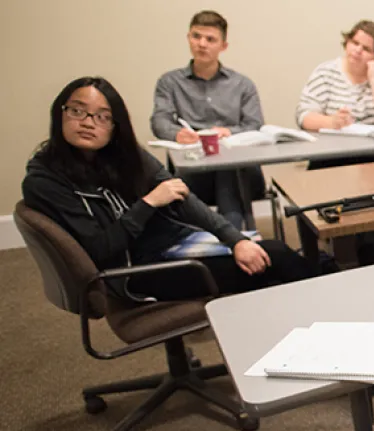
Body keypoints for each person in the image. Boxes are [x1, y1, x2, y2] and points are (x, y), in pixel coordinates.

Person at [23, 77, 317, 302]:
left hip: (174, 244)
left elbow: (183, 197)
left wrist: (234, 240)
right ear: (60, 112)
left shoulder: (122, 155)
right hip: (133, 273)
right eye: (78, 111)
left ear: (114, 126)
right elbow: (100, 249)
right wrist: (149, 203)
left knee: (265, 259)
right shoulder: (46, 180)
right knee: (275, 261)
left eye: (101, 116)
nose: (88, 123)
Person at [150, 10, 265, 230]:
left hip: (241, 173)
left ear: (223, 46)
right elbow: (159, 121)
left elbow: (254, 125)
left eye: (210, 39)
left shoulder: (242, 85)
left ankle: (226, 240)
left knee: (226, 165)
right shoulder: (170, 82)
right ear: (188, 38)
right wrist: (177, 134)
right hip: (194, 170)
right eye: (196, 36)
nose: (202, 44)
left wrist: (229, 133)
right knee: (219, 168)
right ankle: (234, 237)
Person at [297, 20, 374, 168]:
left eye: (366, 49)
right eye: (354, 43)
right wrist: (332, 122)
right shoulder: (326, 72)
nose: (357, 50)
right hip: (334, 154)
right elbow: (304, 116)